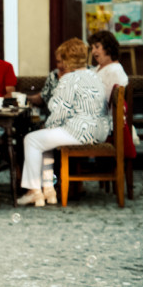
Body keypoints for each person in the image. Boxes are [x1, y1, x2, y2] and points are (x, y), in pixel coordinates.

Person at [17, 38, 110, 207]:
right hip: (99, 130)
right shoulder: (93, 75)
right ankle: (48, 191)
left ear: (67, 59)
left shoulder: (69, 79)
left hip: (80, 131)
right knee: (43, 142)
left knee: (31, 139)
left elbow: (58, 110)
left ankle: (33, 190)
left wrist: (48, 125)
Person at [88, 30, 129, 101]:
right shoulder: (100, 67)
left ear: (108, 48)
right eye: (92, 48)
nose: (93, 51)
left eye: (97, 47)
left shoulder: (115, 71)